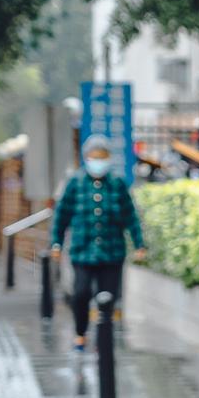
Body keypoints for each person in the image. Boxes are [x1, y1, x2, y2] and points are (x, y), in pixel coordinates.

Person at [51, 136, 146, 351]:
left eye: (101, 157)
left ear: (109, 158)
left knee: (108, 297)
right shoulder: (75, 183)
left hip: (112, 252)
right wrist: (56, 243)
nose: (98, 161)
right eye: (94, 157)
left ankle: (104, 337)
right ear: (86, 158)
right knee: (81, 292)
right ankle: (80, 333)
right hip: (82, 251)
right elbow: (62, 215)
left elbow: (130, 216)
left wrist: (139, 243)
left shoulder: (117, 184)